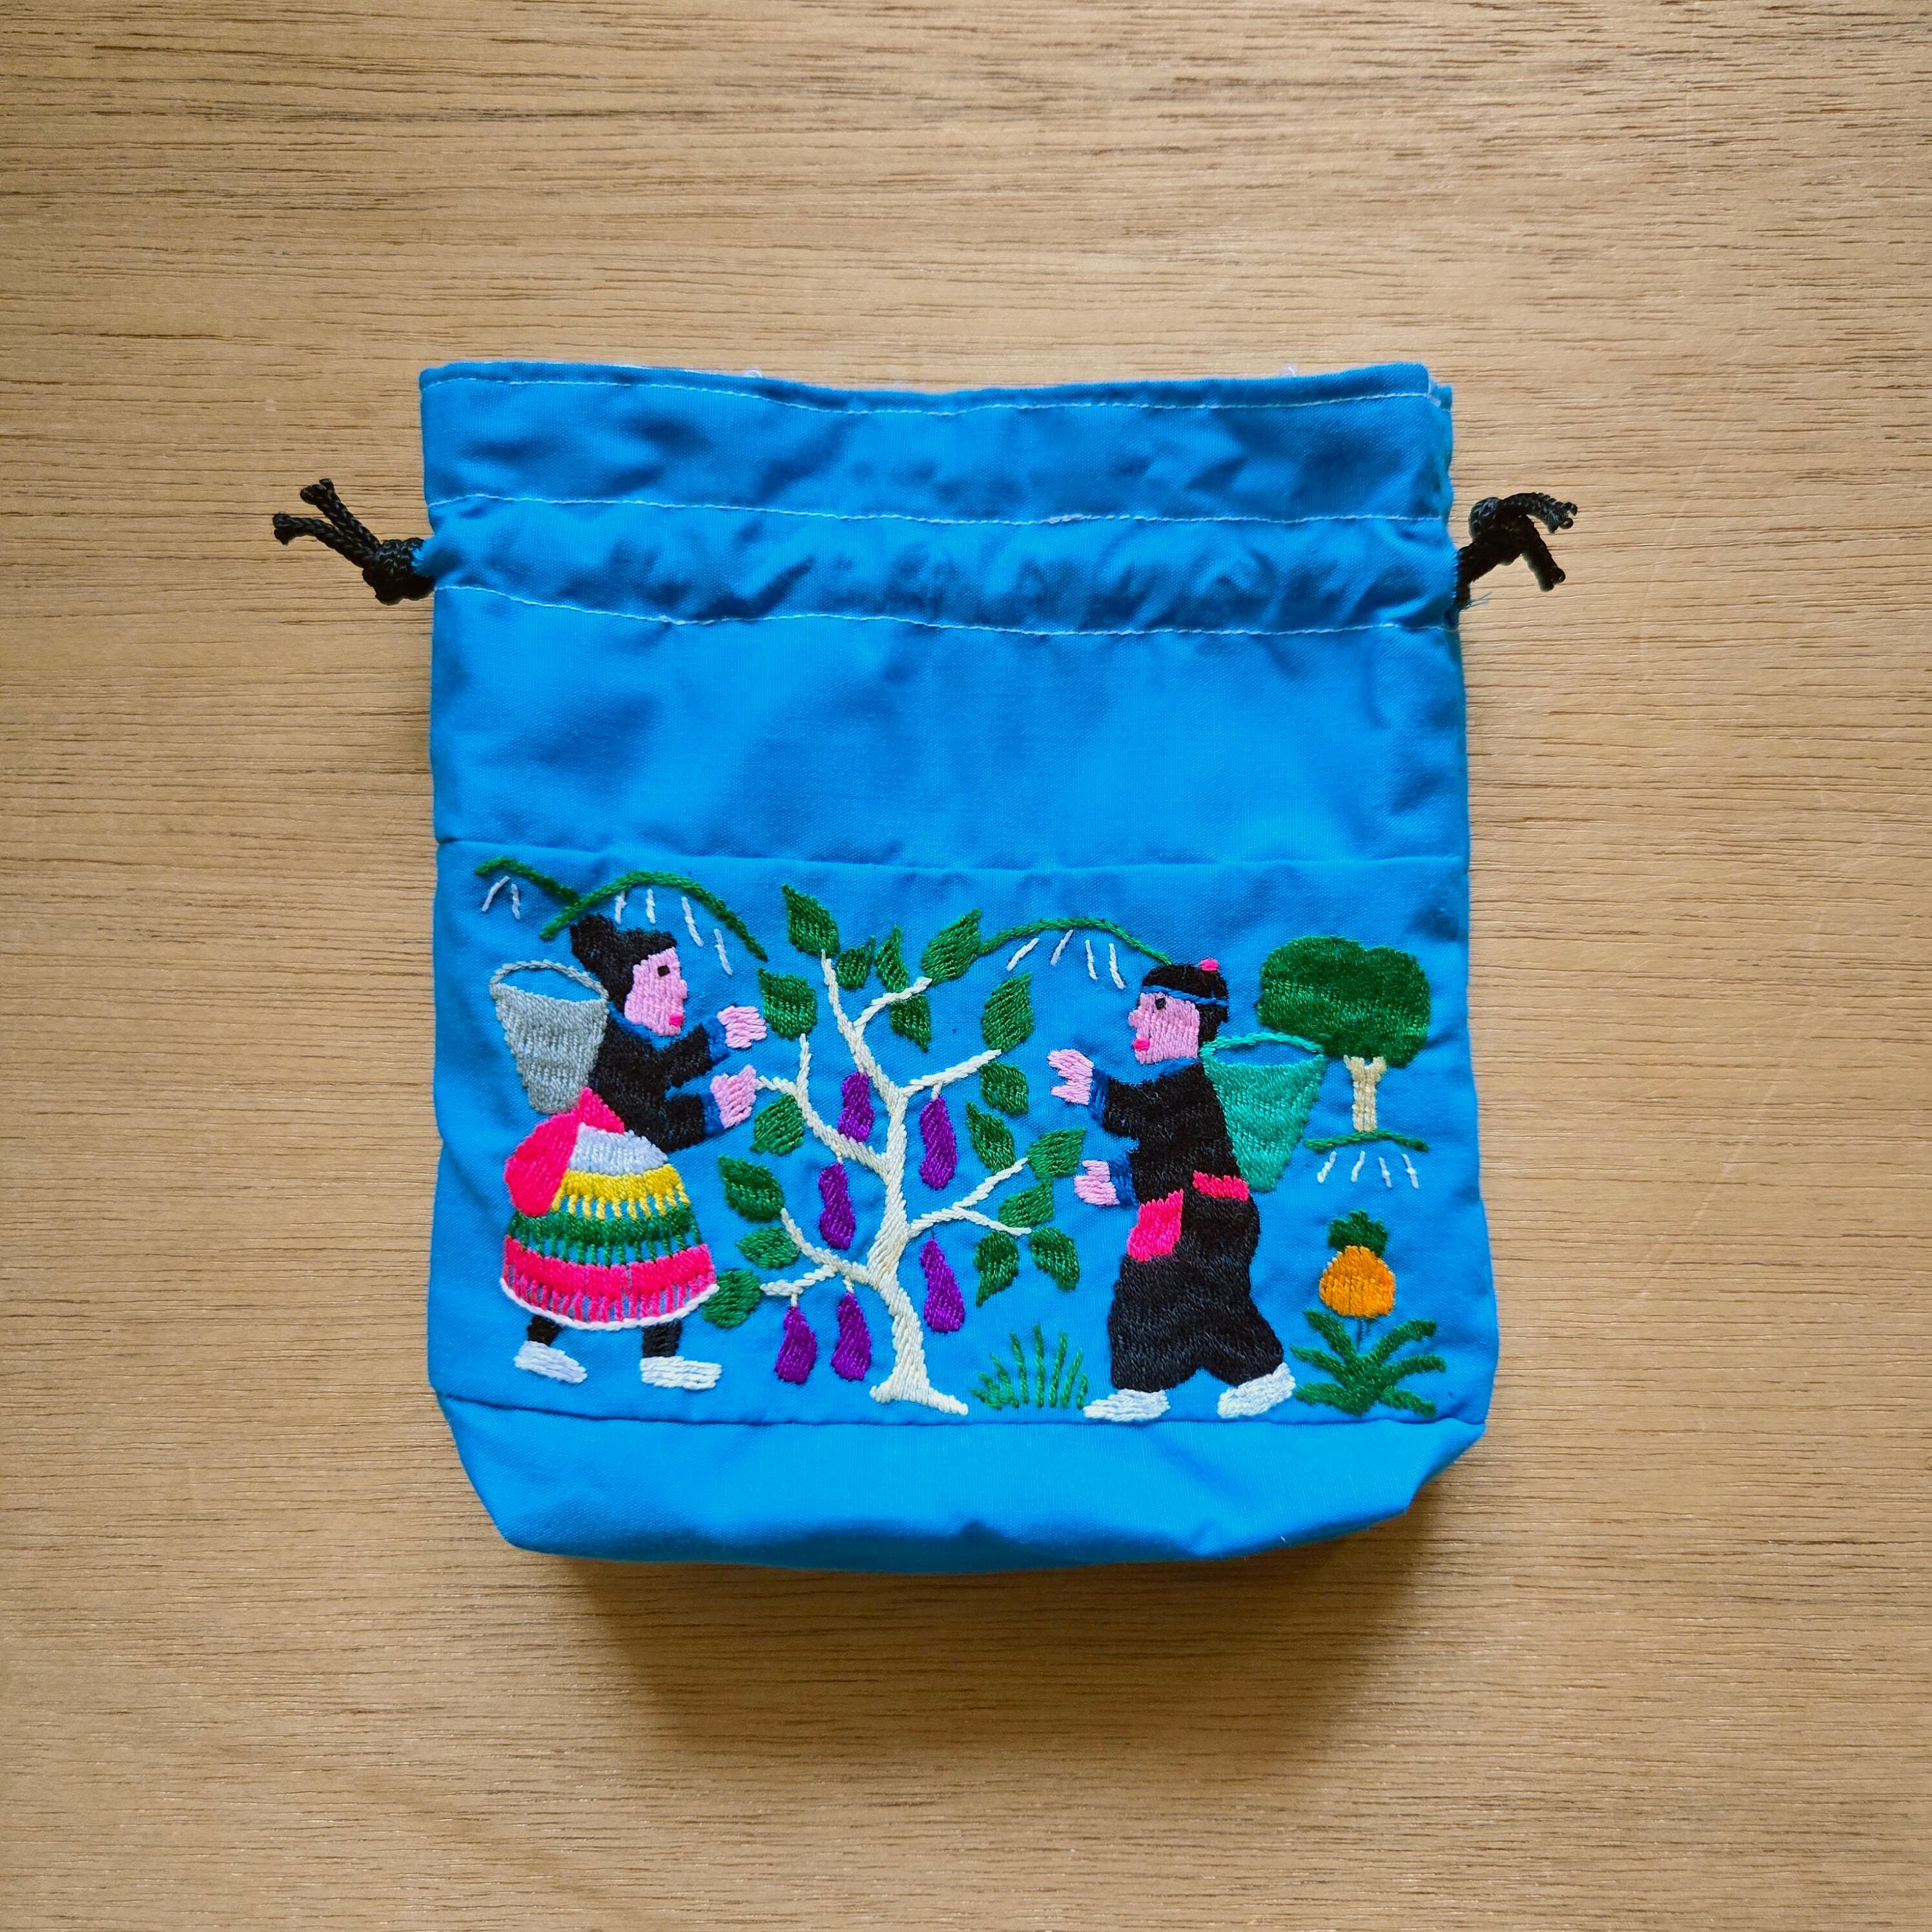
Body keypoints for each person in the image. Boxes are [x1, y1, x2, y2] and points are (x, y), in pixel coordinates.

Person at [500, 914, 765, 1390]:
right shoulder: (609, 1046)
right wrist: (714, 1110)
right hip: (601, 1170)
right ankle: (556, 1347)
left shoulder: (626, 1042)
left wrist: (715, 1040)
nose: (681, 989)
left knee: (622, 1259)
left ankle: (620, 1352)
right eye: (664, 973)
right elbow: (655, 1121)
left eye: (678, 973)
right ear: (625, 985)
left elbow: (659, 1074)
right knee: (636, 1257)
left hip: (622, 1162)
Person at [1048, 960, 1297, 1421]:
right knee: (1144, 1298)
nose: (1135, 1018)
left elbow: (1165, 1133)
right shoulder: (1175, 1085)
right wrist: (1123, 1175)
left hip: (1213, 1220)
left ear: (1196, 1021)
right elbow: (1165, 1146)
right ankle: (1144, 1388)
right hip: (1175, 1217)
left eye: (1157, 1006)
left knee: (1215, 1303)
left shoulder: (1198, 1088)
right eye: (1141, 1006)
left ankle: (1264, 1373)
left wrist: (1099, 1094)